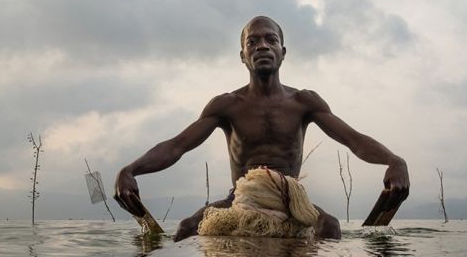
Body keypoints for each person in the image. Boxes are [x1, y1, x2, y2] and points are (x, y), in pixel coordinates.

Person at [114, 16, 409, 241]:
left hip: (290, 199)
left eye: (270, 39)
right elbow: (177, 146)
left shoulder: (304, 101)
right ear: (243, 55)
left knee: (329, 226)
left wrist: (394, 161)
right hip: (238, 199)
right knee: (187, 227)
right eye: (253, 42)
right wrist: (131, 169)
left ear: (283, 51)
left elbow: (354, 140)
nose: (262, 46)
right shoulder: (226, 105)